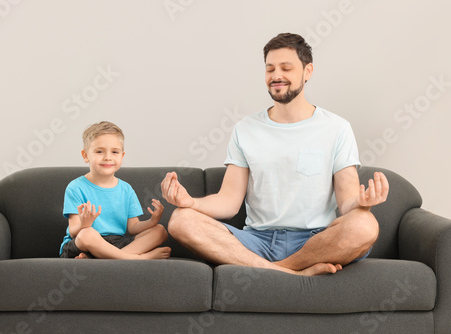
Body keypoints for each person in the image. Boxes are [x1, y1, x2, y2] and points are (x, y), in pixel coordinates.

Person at [161, 33, 389, 276]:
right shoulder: (245, 129)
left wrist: (361, 203)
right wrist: (191, 203)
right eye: (270, 69)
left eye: (286, 68)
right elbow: (229, 201)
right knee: (181, 219)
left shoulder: (337, 128)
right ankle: (293, 273)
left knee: (364, 224)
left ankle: (274, 271)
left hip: (315, 242)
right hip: (257, 241)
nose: (276, 76)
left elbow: (347, 202)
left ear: (307, 71)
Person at [59, 121, 171, 260]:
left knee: (159, 231)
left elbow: (133, 227)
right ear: (85, 155)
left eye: (114, 152)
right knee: (86, 234)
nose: (108, 157)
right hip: (84, 243)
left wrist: (152, 221)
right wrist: (85, 223)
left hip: (118, 243)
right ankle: (137, 259)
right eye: (99, 151)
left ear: (122, 156)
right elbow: (74, 231)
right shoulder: (75, 187)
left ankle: (102, 260)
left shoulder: (126, 189)